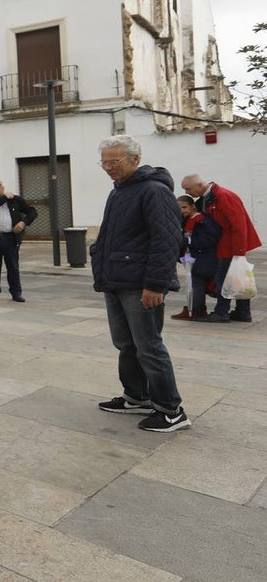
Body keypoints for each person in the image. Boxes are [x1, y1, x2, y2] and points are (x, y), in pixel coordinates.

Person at [90, 135, 189, 432]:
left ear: (135, 159)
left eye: (114, 161)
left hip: (140, 284)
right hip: (116, 280)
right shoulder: (119, 191)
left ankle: (171, 410)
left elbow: (166, 240)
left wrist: (156, 285)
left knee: (149, 346)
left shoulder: (154, 191)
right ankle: (136, 396)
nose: (108, 167)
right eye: (103, 162)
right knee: (126, 344)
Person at [182, 174, 261, 323]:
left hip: (230, 246)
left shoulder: (223, 196)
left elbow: (238, 225)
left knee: (222, 279)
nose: (186, 192)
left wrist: (239, 252)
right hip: (227, 245)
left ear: (199, 185)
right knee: (237, 279)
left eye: (188, 189)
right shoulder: (210, 197)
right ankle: (243, 313)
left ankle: (221, 312)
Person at [0, 179, 37, 301]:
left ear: (3, 186)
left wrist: (23, 223)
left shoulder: (15, 200)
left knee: (13, 267)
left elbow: (32, 212)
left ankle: (16, 293)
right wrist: (5, 197)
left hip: (10, 239)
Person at [170, 196, 219, 321]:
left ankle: (194, 310)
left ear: (193, 206)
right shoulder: (186, 220)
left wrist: (187, 241)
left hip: (202, 258)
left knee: (196, 284)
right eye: (179, 208)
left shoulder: (202, 220)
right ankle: (197, 309)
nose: (182, 210)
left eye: (184, 207)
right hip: (190, 257)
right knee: (194, 284)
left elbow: (208, 240)